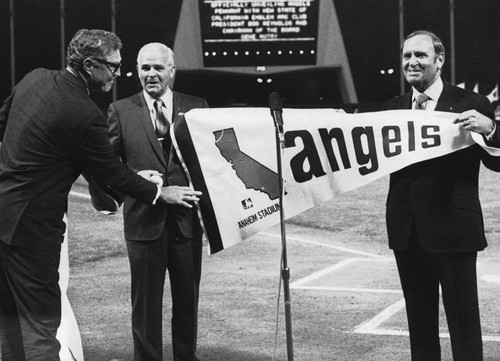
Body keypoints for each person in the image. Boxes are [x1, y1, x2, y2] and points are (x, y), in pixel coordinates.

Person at [0, 29, 201, 361]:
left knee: (9, 321)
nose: (118, 74)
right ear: (90, 65)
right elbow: (112, 173)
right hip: (31, 233)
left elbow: (4, 123)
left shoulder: (34, 79)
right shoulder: (83, 112)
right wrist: (158, 191)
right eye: (113, 66)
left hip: (3, 217)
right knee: (40, 328)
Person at [382, 30, 500, 361]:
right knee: (419, 330)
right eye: (406, 56)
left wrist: (490, 129)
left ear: (439, 60)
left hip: (454, 231)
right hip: (408, 232)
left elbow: (497, 161)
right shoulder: (391, 108)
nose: (412, 62)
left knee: (464, 329)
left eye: (420, 55)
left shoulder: (471, 104)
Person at [100, 42, 208, 361]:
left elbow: (212, 162)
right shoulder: (119, 110)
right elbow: (108, 167)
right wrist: (136, 177)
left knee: (187, 303)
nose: (151, 74)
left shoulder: (197, 107)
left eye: (158, 68)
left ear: (171, 72)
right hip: (144, 223)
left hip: (187, 222)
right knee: (145, 307)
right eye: (145, 68)